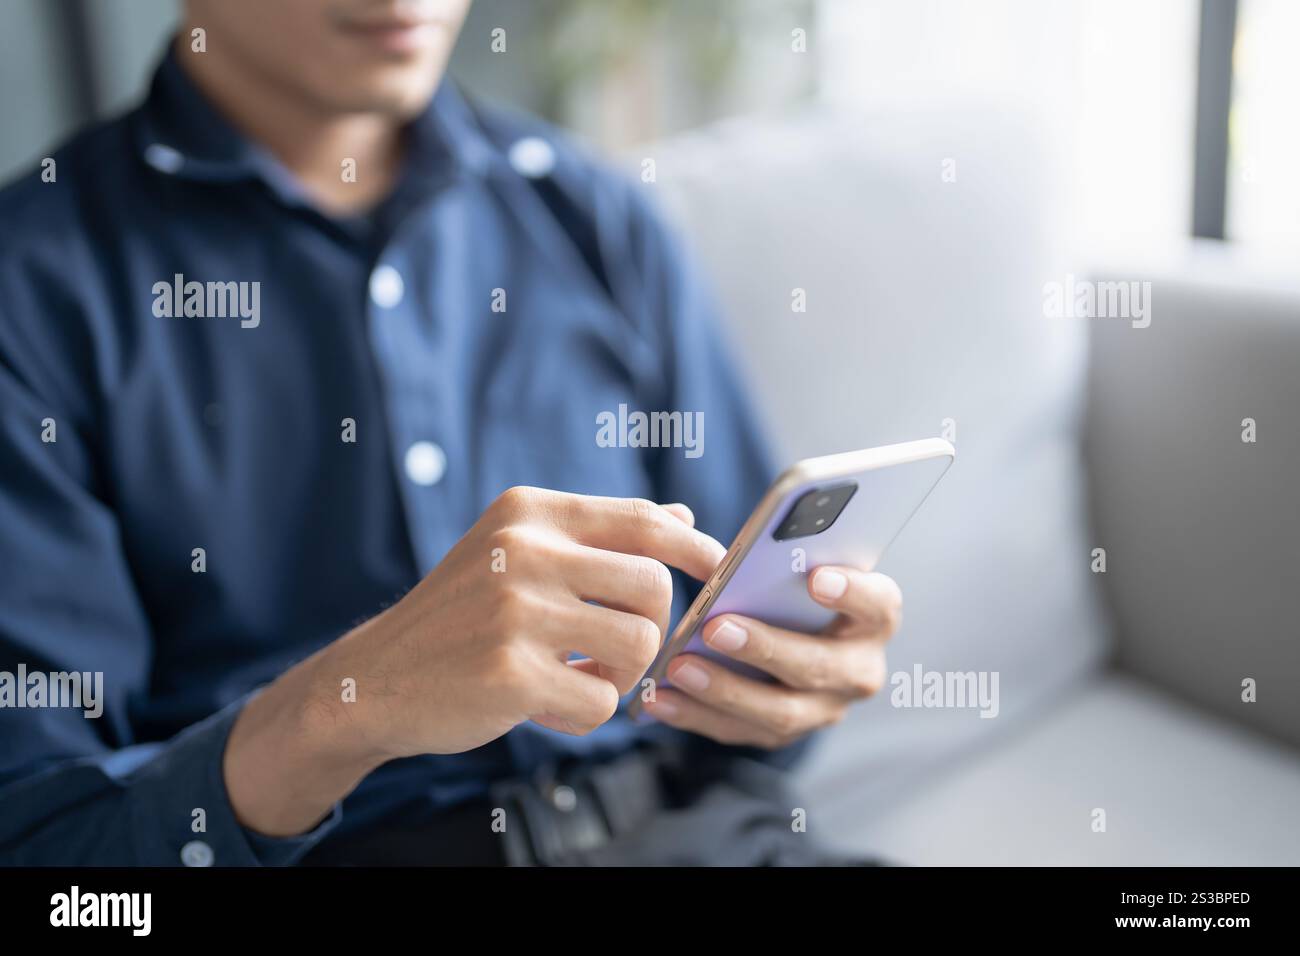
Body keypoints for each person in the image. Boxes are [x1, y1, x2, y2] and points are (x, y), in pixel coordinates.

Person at [0, 0, 901, 866]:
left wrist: (782, 687)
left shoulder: (596, 214)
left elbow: (736, 680)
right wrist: (348, 705)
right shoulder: (33, 294)